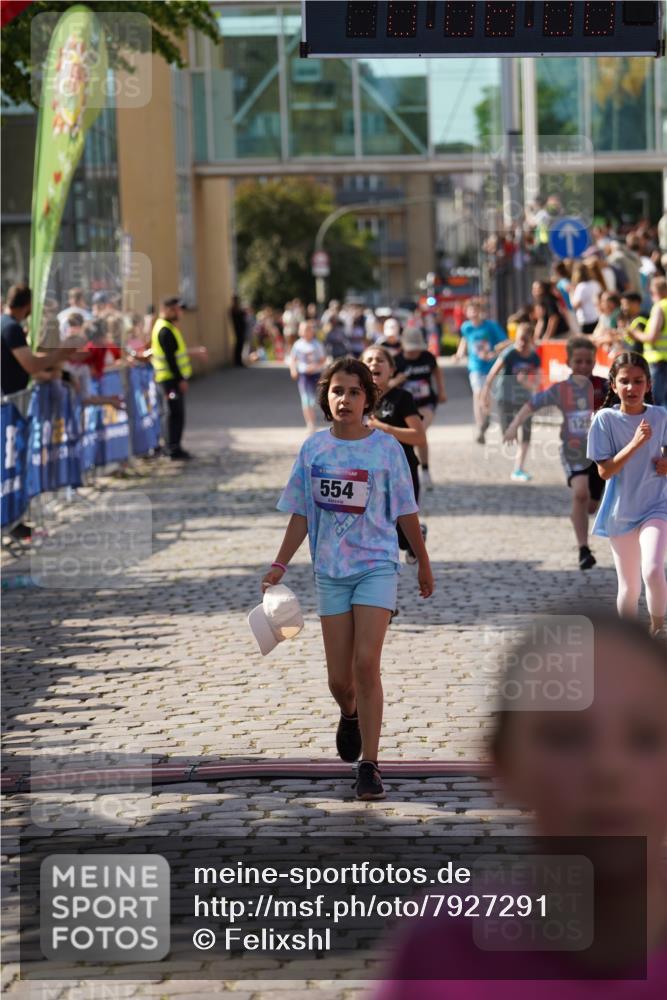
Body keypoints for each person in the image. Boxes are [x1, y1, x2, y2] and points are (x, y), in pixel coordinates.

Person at [376, 611, 667, 996]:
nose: (608, 768)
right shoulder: (442, 951)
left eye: (645, 738)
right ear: (504, 766)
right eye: (566, 738)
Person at [261, 358, 434, 801]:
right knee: (340, 681)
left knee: (365, 663)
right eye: (338, 391)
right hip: (330, 573)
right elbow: (301, 511)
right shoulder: (314, 450)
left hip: (377, 565)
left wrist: (423, 559)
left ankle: (370, 765)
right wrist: (280, 563)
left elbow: (405, 510)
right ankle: (350, 713)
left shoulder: (386, 450)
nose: (346, 399)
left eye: (355, 392)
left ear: (367, 398)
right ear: (326, 398)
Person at [504, 336, 607, 571]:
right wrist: (513, 426)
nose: (583, 366)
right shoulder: (562, 389)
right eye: (578, 361)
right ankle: (584, 549)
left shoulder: (605, 386)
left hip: (601, 452)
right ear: (569, 363)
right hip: (574, 451)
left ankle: (578, 516)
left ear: (594, 362)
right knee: (580, 494)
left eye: (588, 361)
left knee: (591, 505)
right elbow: (531, 405)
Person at [587, 352, 667, 636]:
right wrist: (634, 444)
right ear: (613, 385)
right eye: (625, 381)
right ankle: (629, 640)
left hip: (657, 506)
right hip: (621, 512)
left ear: (648, 385)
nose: (631, 388)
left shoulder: (661, 416)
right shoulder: (604, 420)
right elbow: (605, 472)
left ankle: (658, 629)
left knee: (655, 570)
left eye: (638, 381)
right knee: (630, 586)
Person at [1, 284, 75, 542]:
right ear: (28, 305)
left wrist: (55, 367)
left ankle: (15, 521)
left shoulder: (10, 325)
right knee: (9, 468)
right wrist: (59, 354)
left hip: (14, 408)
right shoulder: (9, 327)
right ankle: (11, 522)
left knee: (14, 469)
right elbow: (30, 364)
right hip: (10, 407)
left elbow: (29, 363)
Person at [363, 346, 427, 565]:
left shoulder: (402, 398)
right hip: (371, 472)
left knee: (402, 530)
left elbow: (419, 436)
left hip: (403, 469)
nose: (374, 364)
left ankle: (414, 537)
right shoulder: (357, 398)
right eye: (369, 360)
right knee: (378, 523)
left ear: (391, 369)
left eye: (380, 360)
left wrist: (383, 428)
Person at [481, 322, 541, 482]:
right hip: (505, 396)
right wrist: (485, 392)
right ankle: (488, 420)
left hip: (524, 398)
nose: (521, 343)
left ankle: (518, 468)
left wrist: (525, 383)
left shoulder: (534, 358)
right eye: (519, 339)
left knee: (527, 432)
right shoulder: (509, 353)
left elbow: (537, 384)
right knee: (507, 434)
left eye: (524, 340)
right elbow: (492, 373)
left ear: (530, 340)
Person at [150, 296, 207, 461]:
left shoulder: (168, 327)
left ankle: (174, 446)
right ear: (167, 310)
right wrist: (180, 379)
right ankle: (172, 448)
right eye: (176, 309)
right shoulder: (164, 329)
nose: (180, 312)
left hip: (170, 379)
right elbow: (170, 358)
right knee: (173, 414)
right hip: (169, 380)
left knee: (175, 413)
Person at [393, 328, 446, 489]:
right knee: (408, 437)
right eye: (411, 349)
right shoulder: (396, 361)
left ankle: (425, 471)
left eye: (417, 348)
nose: (414, 352)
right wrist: (397, 380)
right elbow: (387, 384)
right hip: (404, 406)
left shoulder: (427, 357)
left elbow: (436, 371)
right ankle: (405, 469)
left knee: (419, 432)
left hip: (426, 403)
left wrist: (441, 390)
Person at [455, 298, 509, 444]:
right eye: (470, 310)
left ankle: (488, 418)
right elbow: (465, 340)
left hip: (492, 367)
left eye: (476, 310)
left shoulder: (491, 326)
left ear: (481, 312)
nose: (473, 313)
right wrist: (459, 354)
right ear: (466, 313)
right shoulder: (466, 327)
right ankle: (480, 427)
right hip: (475, 366)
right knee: (478, 394)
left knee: (488, 397)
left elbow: (506, 342)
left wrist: (493, 352)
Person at [631, 276, 667, 408]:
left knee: (655, 404)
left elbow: (652, 337)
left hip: (659, 361)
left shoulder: (660, 307)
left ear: (654, 292)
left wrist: (635, 333)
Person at [288, 319, 327, 435]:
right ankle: (310, 424)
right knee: (306, 400)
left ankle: (315, 419)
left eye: (308, 329)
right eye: (303, 330)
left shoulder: (317, 344)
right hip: (304, 376)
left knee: (314, 400)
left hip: (316, 375)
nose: (306, 332)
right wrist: (293, 370)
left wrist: (315, 366)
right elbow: (293, 359)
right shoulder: (297, 345)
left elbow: (323, 360)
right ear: (300, 331)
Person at [571, 263, 601, 335]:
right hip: (596, 315)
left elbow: (576, 305)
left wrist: (571, 293)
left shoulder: (581, 287)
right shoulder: (595, 284)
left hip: (586, 318)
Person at [229, 294, 247, 368]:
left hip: (240, 329)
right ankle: (237, 361)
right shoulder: (234, 309)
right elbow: (240, 316)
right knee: (239, 345)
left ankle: (238, 361)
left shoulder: (236, 309)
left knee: (240, 345)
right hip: (238, 329)